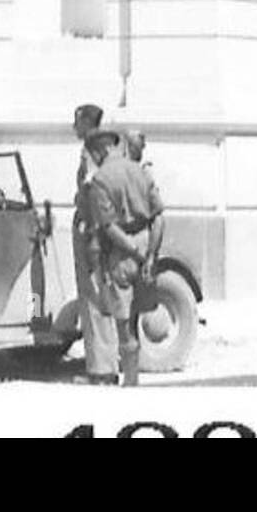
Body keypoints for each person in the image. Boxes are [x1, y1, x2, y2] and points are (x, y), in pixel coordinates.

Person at [84, 127, 165, 388]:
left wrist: (133, 249)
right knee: (139, 316)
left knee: (123, 324)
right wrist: (150, 255)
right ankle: (135, 378)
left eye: (93, 153)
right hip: (147, 244)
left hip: (122, 252)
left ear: (101, 150)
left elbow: (108, 226)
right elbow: (159, 217)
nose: (93, 158)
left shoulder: (100, 180)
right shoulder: (141, 171)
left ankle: (131, 382)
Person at [71, 103, 118, 384]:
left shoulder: (90, 148)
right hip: (105, 228)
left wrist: (90, 233)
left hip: (93, 229)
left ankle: (101, 370)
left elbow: (90, 189)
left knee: (93, 296)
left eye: (76, 121)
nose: (73, 126)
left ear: (87, 122)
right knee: (104, 296)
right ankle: (107, 365)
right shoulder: (111, 147)